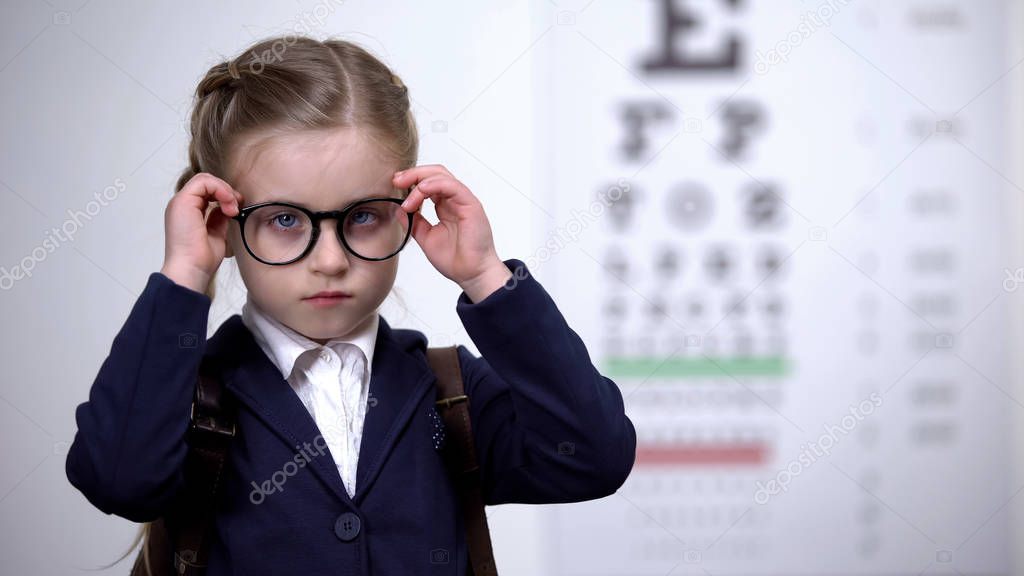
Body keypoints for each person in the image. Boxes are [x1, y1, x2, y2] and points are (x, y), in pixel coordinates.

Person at [65, 34, 636, 575]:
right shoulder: (187, 396)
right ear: (224, 222)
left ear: (408, 212)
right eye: (285, 219)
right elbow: (118, 480)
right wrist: (185, 275)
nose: (332, 260)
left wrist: (486, 275)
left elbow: (593, 457)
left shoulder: (450, 394)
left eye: (362, 215)